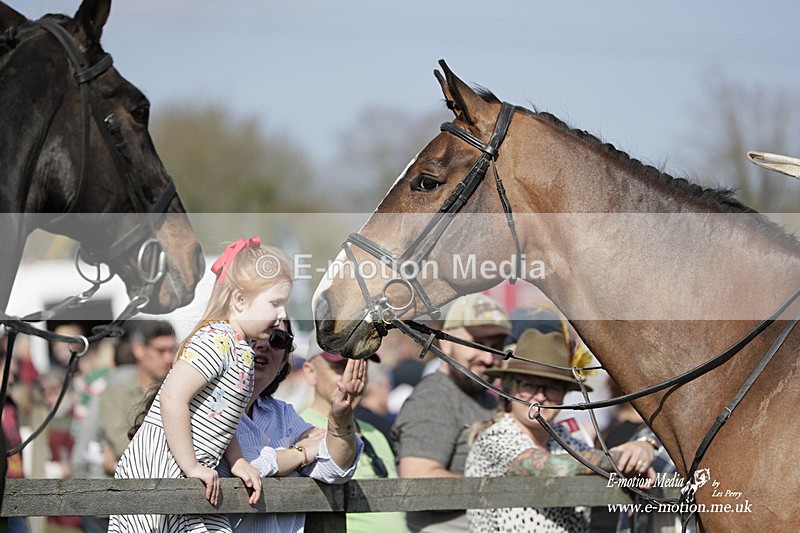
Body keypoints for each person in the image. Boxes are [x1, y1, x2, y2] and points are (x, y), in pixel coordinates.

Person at [109, 236, 288, 532]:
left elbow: (224, 418)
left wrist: (237, 461)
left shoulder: (240, 350)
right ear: (240, 300)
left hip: (191, 469)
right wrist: (191, 465)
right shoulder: (216, 340)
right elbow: (172, 399)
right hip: (161, 465)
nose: (281, 315)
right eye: (275, 303)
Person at [464, 326, 656, 533]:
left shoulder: (565, 439)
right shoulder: (495, 439)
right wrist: (620, 458)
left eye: (552, 387)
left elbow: (597, 464)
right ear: (510, 388)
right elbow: (549, 467)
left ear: (564, 395)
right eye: (528, 385)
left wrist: (642, 450)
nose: (540, 396)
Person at [218, 318, 363, 532]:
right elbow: (249, 464)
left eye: (277, 339)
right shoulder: (207, 402)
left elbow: (334, 468)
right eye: (254, 334)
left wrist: (340, 420)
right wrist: (300, 454)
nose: (264, 344)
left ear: (284, 360)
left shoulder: (283, 413)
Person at [390, 293, 511, 532]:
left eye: (496, 347)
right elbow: (418, 480)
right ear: (445, 342)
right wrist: (507, 489)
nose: (488, 358)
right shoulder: (435, 396)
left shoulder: (485, 397)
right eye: (477, 344)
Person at [301, 350, 407, 533]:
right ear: (311, 372)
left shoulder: (374, 432)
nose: (352, 374)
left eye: (361, 364)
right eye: (340, 366)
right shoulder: (300, 429)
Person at [99, 320, 178, 476]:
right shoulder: (117, 393)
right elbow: (121, 443)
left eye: (172, 350)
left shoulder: (178, 391)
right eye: (161, 350)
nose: (168, 358)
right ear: (139, 350)